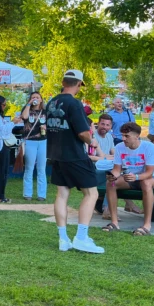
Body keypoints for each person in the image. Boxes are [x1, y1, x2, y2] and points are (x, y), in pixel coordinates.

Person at [45, 69, 104, 254]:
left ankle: (63, 239)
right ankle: (81, 237)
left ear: (63, 82)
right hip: (74, 155)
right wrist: (92, 140)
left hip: (56, 155)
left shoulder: (51, 102)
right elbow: (82, 132)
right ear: (78, 84)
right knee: (91, 194)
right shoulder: (75, 103)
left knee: (62, 195)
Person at [102, 122, 154, 236]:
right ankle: (114, 222)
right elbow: (117, 169)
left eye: (127, 136)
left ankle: (146, 225)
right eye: (122, 135)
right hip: (129, 178)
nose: (123, 139)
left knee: (146, 184)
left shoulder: (149, 147)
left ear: (137, 136)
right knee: (111, 184)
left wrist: (137, 177)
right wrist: (112, 175)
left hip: (149, 177)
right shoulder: (119, 147)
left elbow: (149, 172)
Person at [0, 96, 19, 203]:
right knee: (2, 171)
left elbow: (4, 130)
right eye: (3, 104)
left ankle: (0, 195)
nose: (5, 107)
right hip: (0, 145)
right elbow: (3, 130)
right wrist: (13, 122)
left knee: (4, 171)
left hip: (2, 144)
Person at [19, 91, 48, 202]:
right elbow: (24, 116)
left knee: (41, 168)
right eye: (33, 97)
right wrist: (28, 104)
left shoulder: (45, 112)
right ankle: (27, 193)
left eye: (37, 97)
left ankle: (41, 194)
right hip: (30, 141)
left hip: (42, 141)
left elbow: (50, 125)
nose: (35, 99)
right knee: (29, 168)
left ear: (41, 99)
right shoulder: (27, 109)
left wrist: (46, 128)